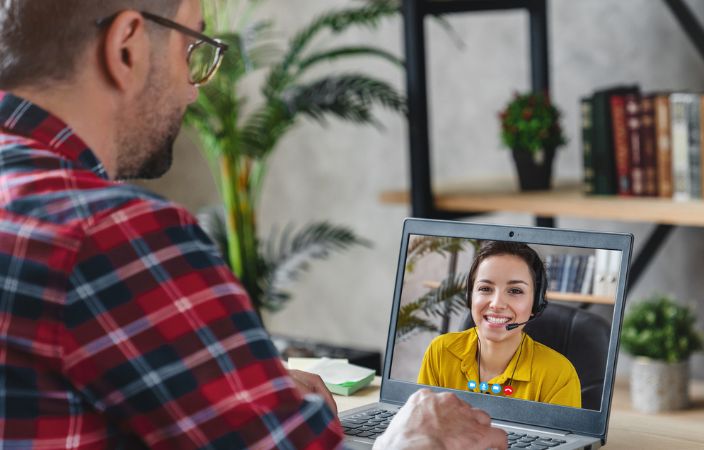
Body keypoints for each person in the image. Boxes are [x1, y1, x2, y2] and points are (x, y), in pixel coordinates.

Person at [0, 1, 507, 449]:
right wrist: (414, 440)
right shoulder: (114, 234)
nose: (193, 93)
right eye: (191, 52)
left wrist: (226, 387)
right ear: (128, 46)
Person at [417, 241, 582, 408]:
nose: (496, 304)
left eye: (515, 291)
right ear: (470, 296)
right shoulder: (441, 353)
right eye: (485, 288)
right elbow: (422, 426)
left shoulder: (559, 375)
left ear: (536, 304)